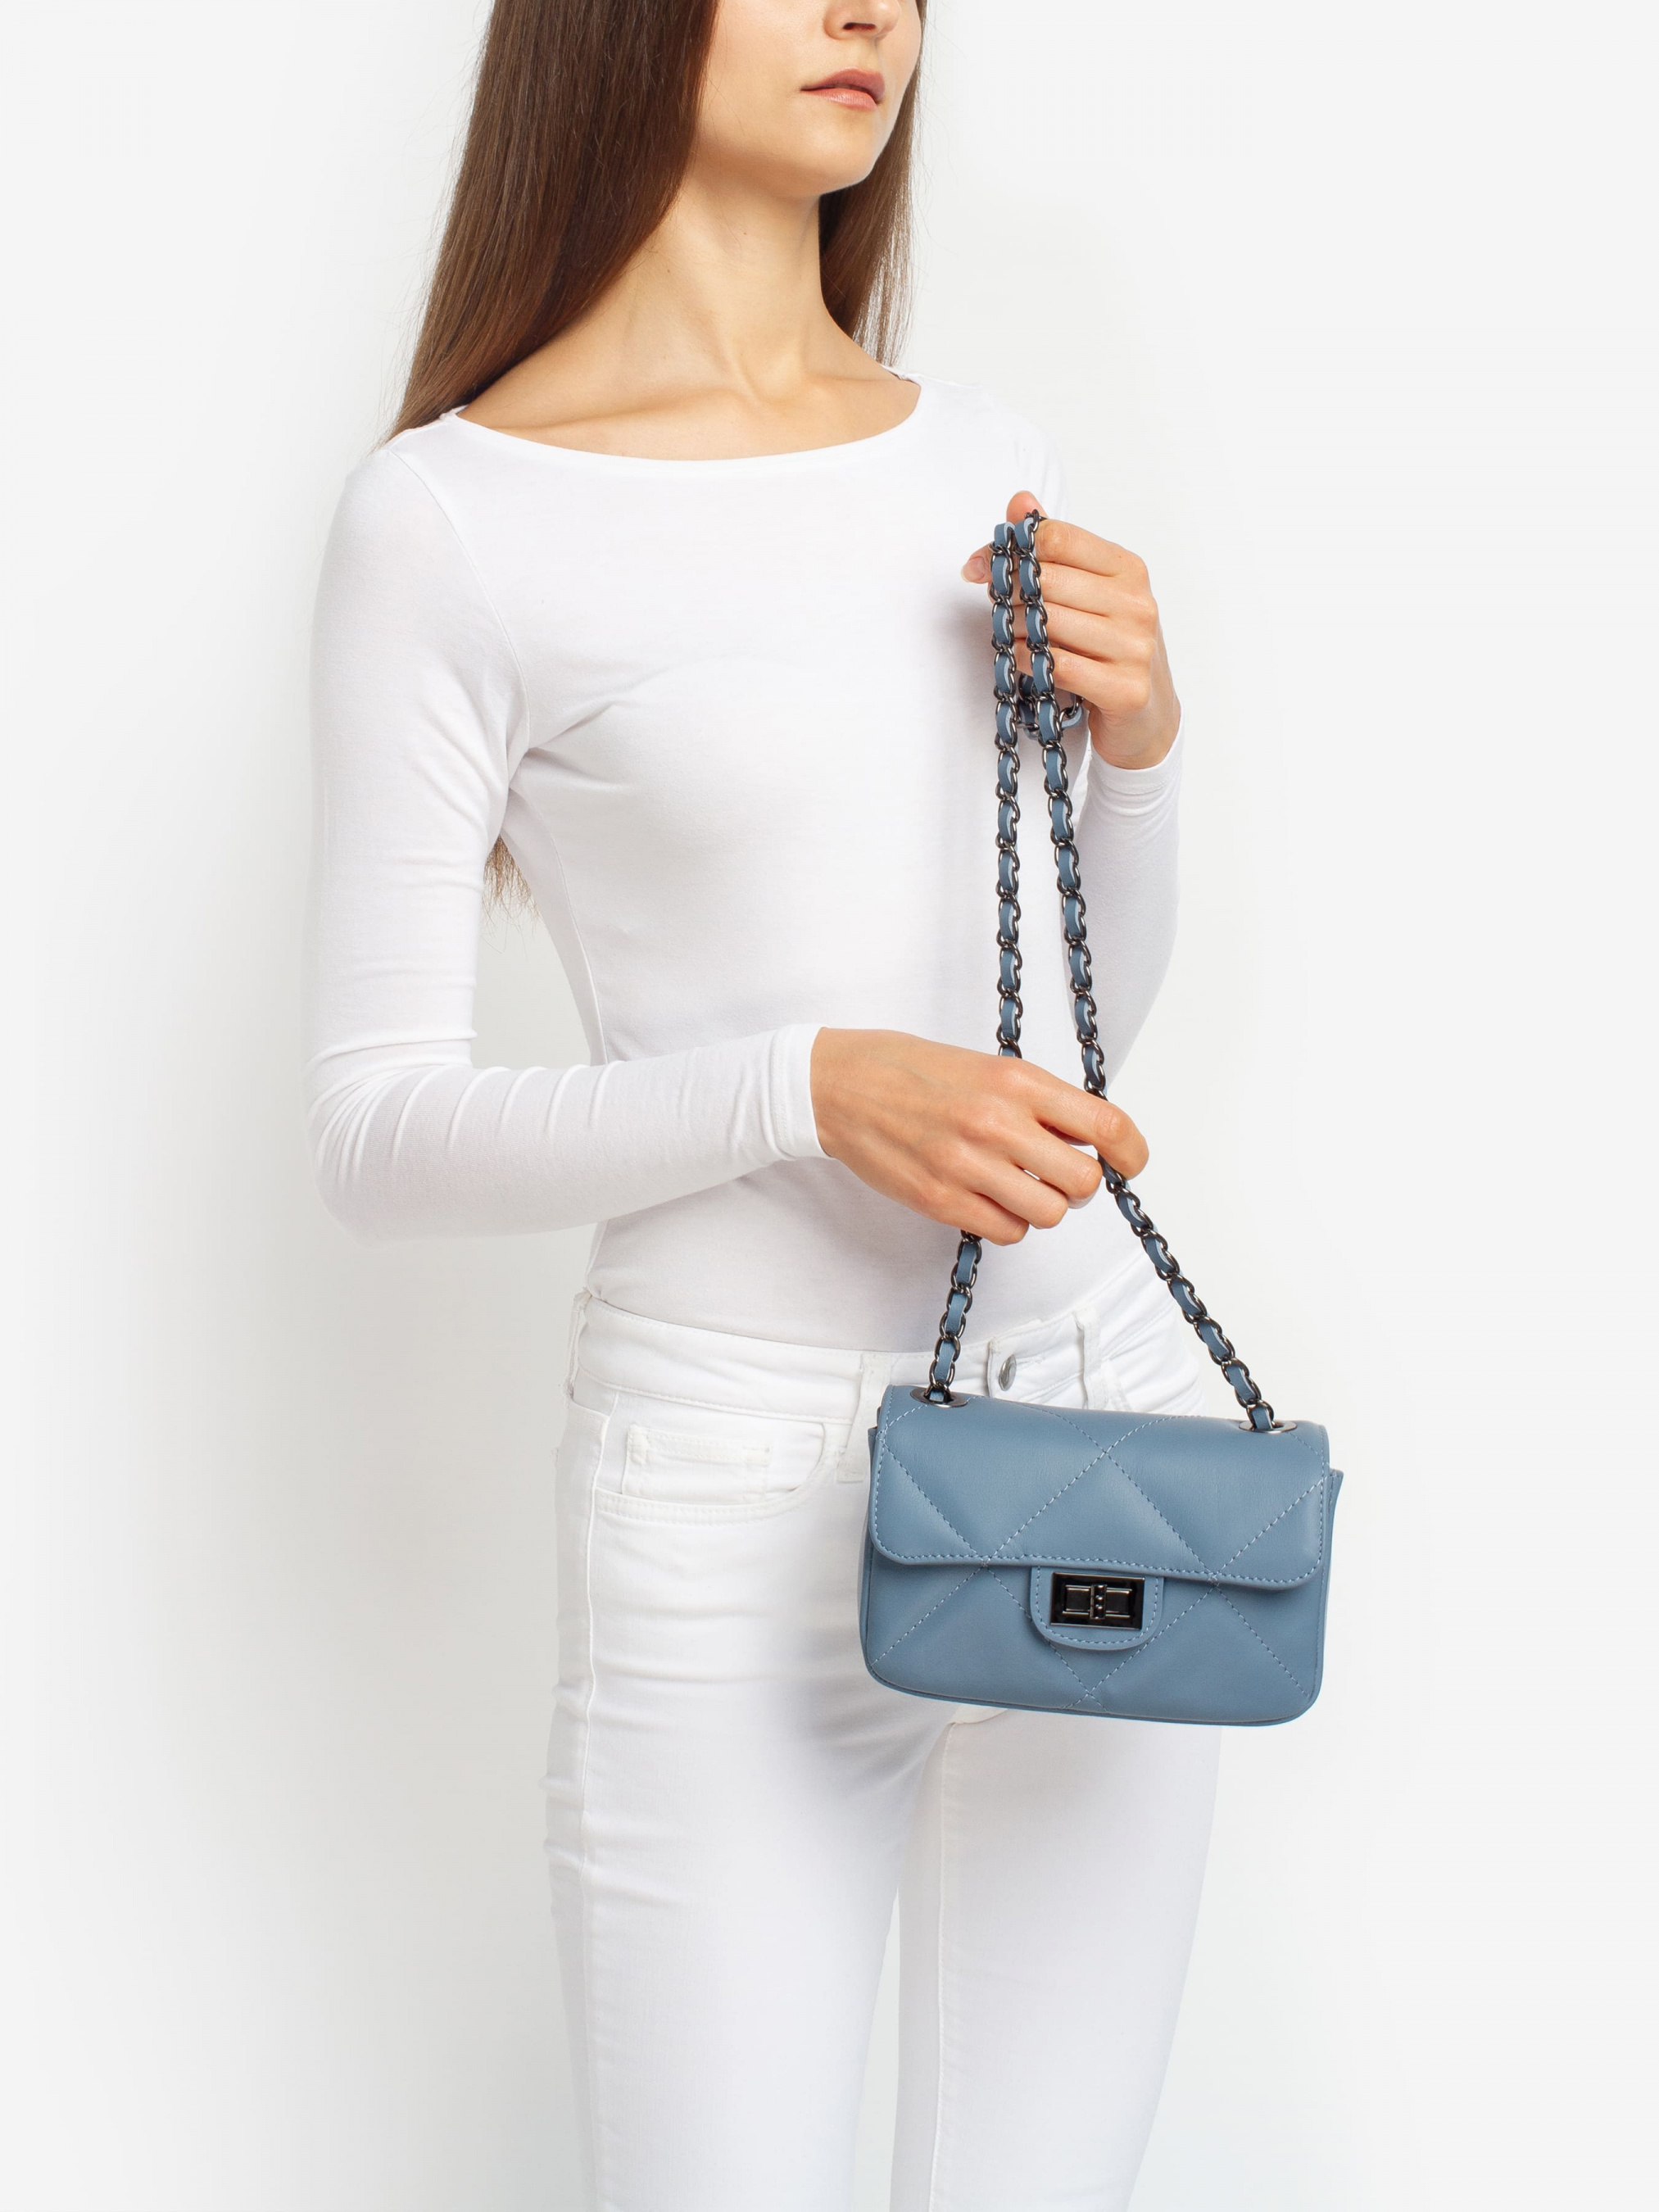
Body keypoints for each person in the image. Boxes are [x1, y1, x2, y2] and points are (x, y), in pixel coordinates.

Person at [305, 3, 1217, 2205]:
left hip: (1098, 1432)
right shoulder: (454, 518)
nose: (867, 12)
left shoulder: (978, 453)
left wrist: (1141, 751)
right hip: (726, 1497)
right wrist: (803, 1088)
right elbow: (374, 1131)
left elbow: (1072, 1045)